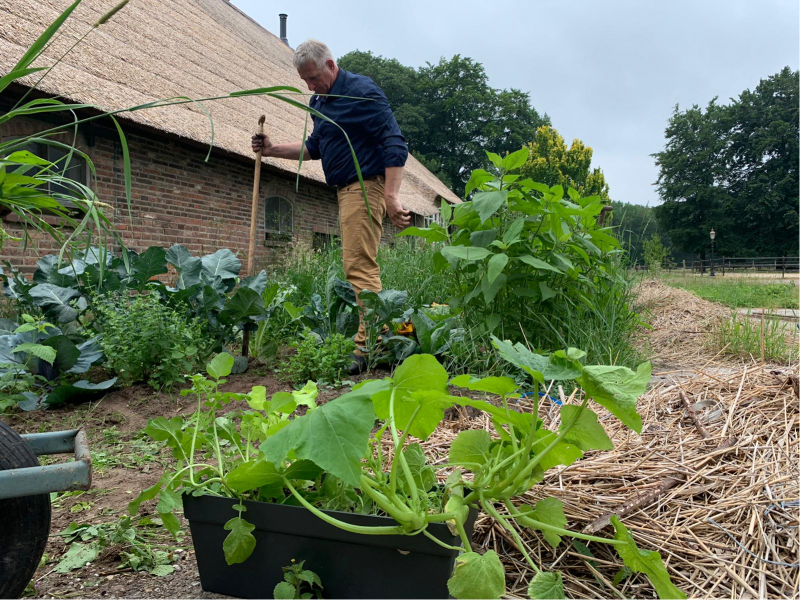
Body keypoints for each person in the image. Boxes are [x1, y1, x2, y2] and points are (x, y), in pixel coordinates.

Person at [251, 39, 410, 374]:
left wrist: (392, 196)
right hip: (345, 189)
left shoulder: (361, 92)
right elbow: (315, 147)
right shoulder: (319, 102)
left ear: (331, 65)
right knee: (358, 263)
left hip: (365, 186)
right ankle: (383, 336)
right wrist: (271, 149)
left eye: (314, 77)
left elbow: (394, 142)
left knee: (359, 265)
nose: (311, 85)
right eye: (305, 81)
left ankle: (369, 347)